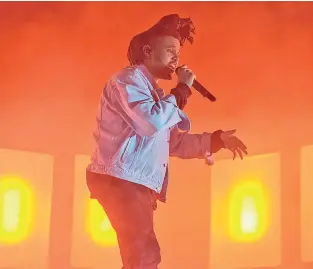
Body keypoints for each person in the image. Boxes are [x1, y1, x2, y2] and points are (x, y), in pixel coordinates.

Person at [86, 14, 248, 269]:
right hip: (121, 180)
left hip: (134, 181)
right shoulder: (127, 81)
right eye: (170, 50)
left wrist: (215, 141)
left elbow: (172, 143)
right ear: (148, 51)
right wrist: (182, 90)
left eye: (179, 53)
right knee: (144, 256)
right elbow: (151, 123)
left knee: (141, 256)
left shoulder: (154, 96)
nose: (176, 58)